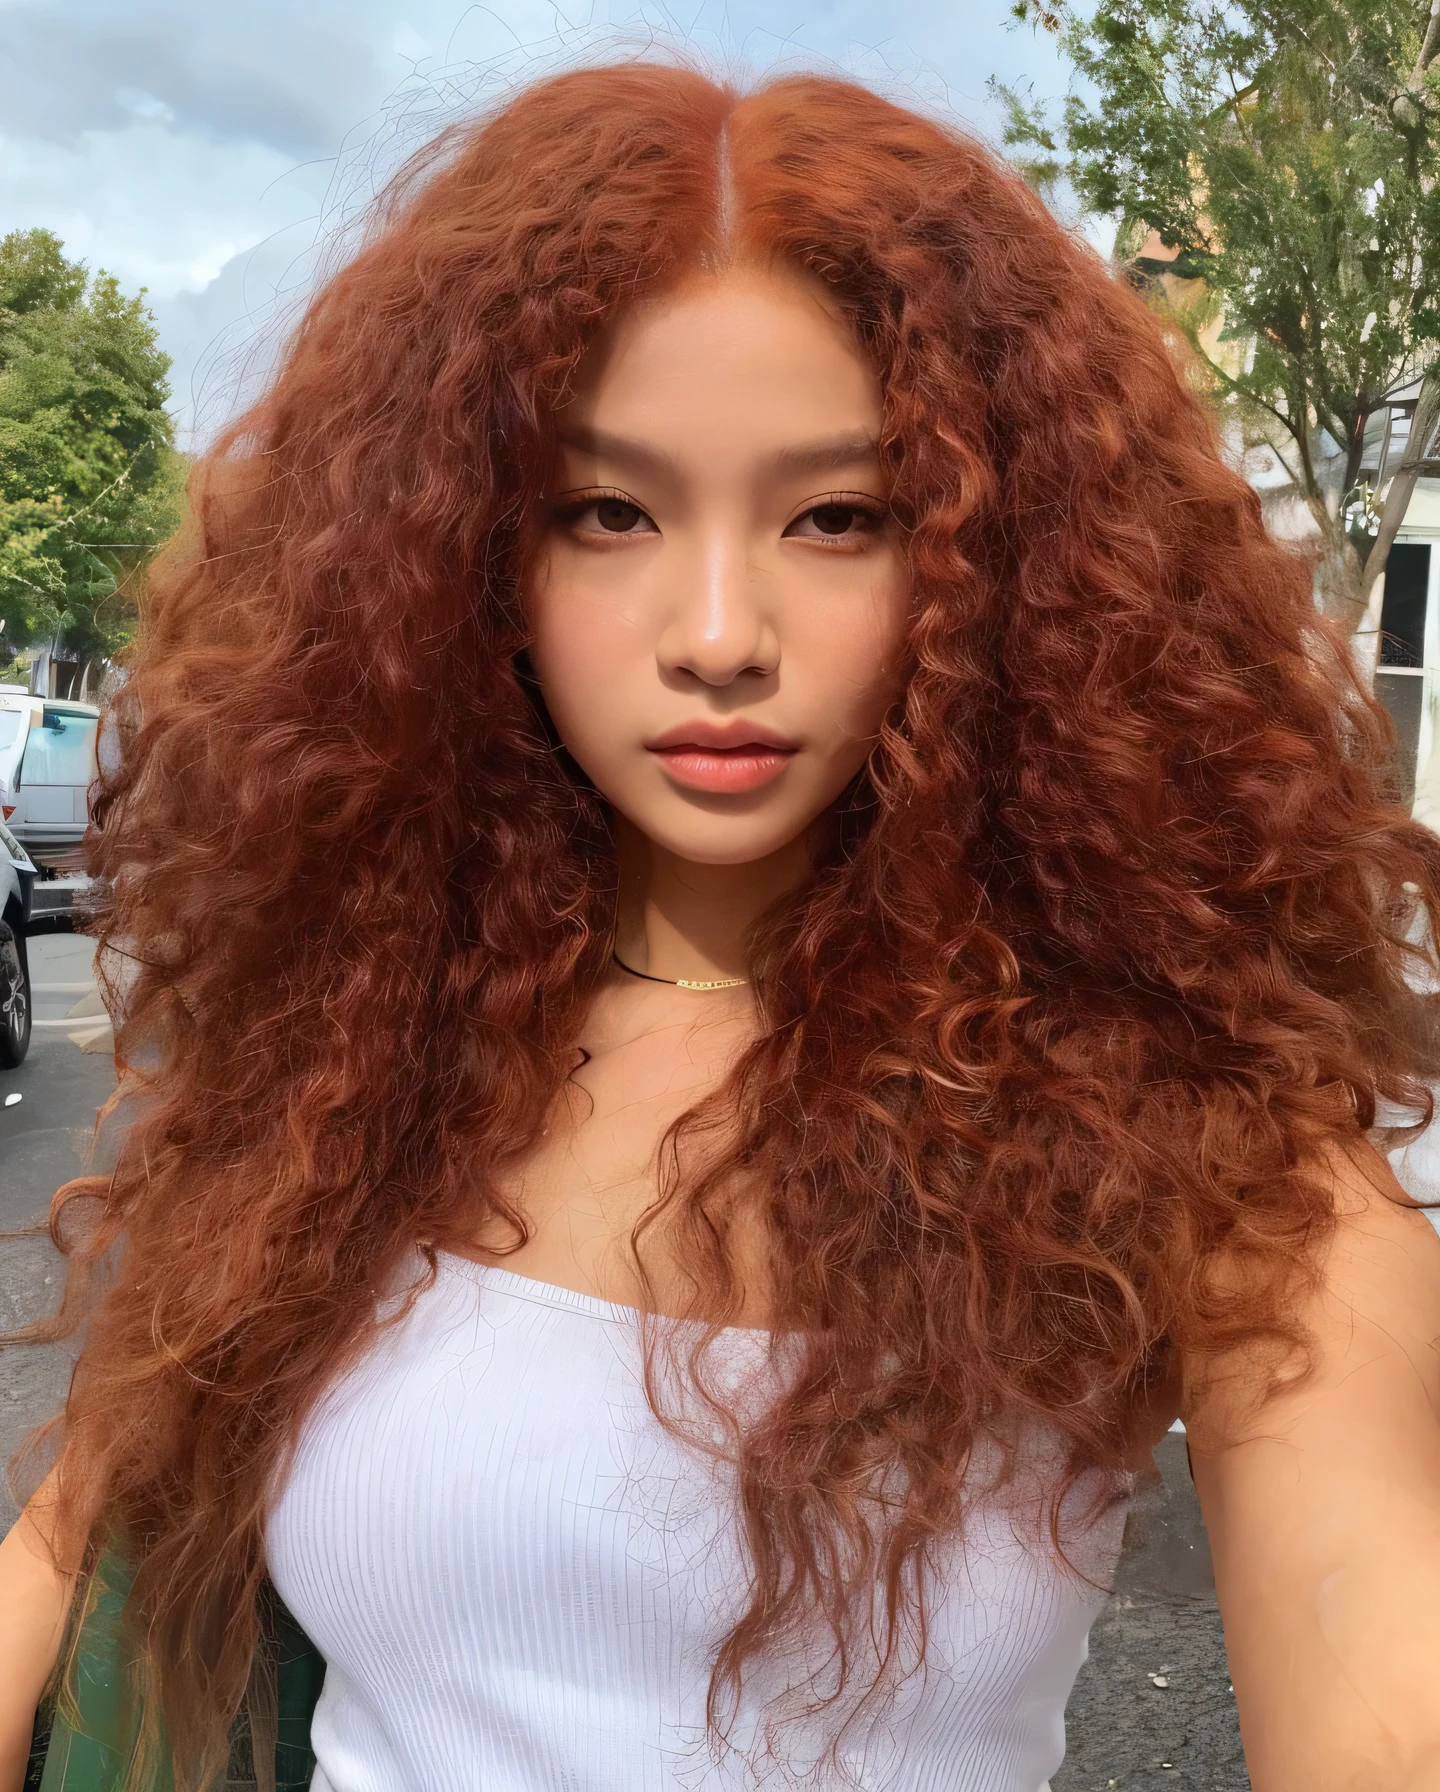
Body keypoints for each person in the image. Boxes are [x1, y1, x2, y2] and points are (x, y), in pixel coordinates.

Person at [3, 60, 1440, 1792]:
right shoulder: (346, 1061)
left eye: (837, 517)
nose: (715, 632)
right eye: (608, 511)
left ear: (1003, 569)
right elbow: (67, 1551)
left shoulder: (1210, 1143)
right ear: (466, 558)